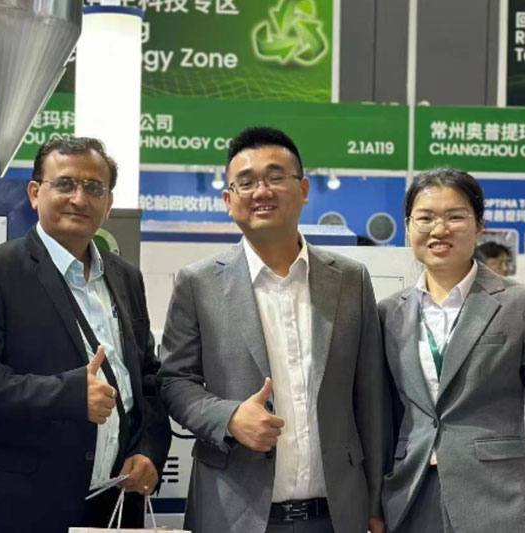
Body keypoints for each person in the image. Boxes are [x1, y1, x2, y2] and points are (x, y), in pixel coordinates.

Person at [158, 126, 389, 533]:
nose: (261, 191)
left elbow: (370, 396)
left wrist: (374, 502)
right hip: (233, 514)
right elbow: (174, 381)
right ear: (228, 201)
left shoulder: (350, 279)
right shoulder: (198, 283)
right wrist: (229, 417)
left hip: (336, 516)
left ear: (303, 189)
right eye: (246, 182)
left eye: (275, 177)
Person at [0, 137, 172, 533]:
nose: (79, 199)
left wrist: (149, 451)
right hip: (29, 505)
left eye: (94, 188)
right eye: (65, 184)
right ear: (35, 193)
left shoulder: (125, 277)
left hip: (117, 500)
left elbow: (149, 379)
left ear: (109, 203)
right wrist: (67, 394)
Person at [379, 168, 525, 533]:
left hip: (498, 500)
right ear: (408, 227)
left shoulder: (519, 303)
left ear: (480, 225)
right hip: (412, 499)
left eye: (455, 217)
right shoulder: (389, 312)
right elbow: (383, 415)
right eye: (425, 218)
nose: (439, 229)